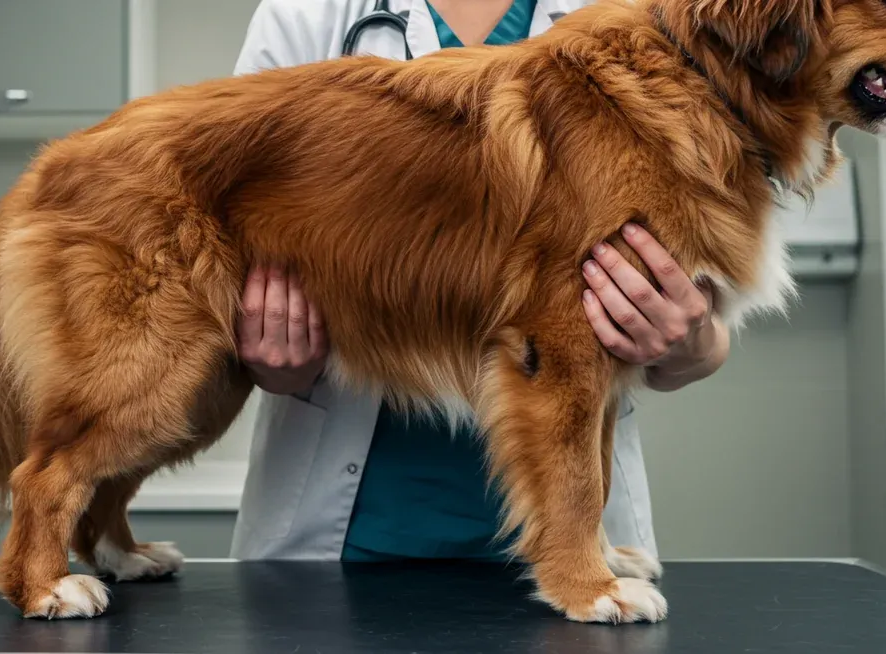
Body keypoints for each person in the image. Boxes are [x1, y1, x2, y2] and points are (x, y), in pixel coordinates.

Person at [228, 0, 731, 562]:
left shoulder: (638, 11)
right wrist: (264, 356)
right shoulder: (309, 14)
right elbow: (231, 207)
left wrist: (694, 341)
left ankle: (572, 546)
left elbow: (705, 291)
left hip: (579, 522)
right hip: (345, 533)